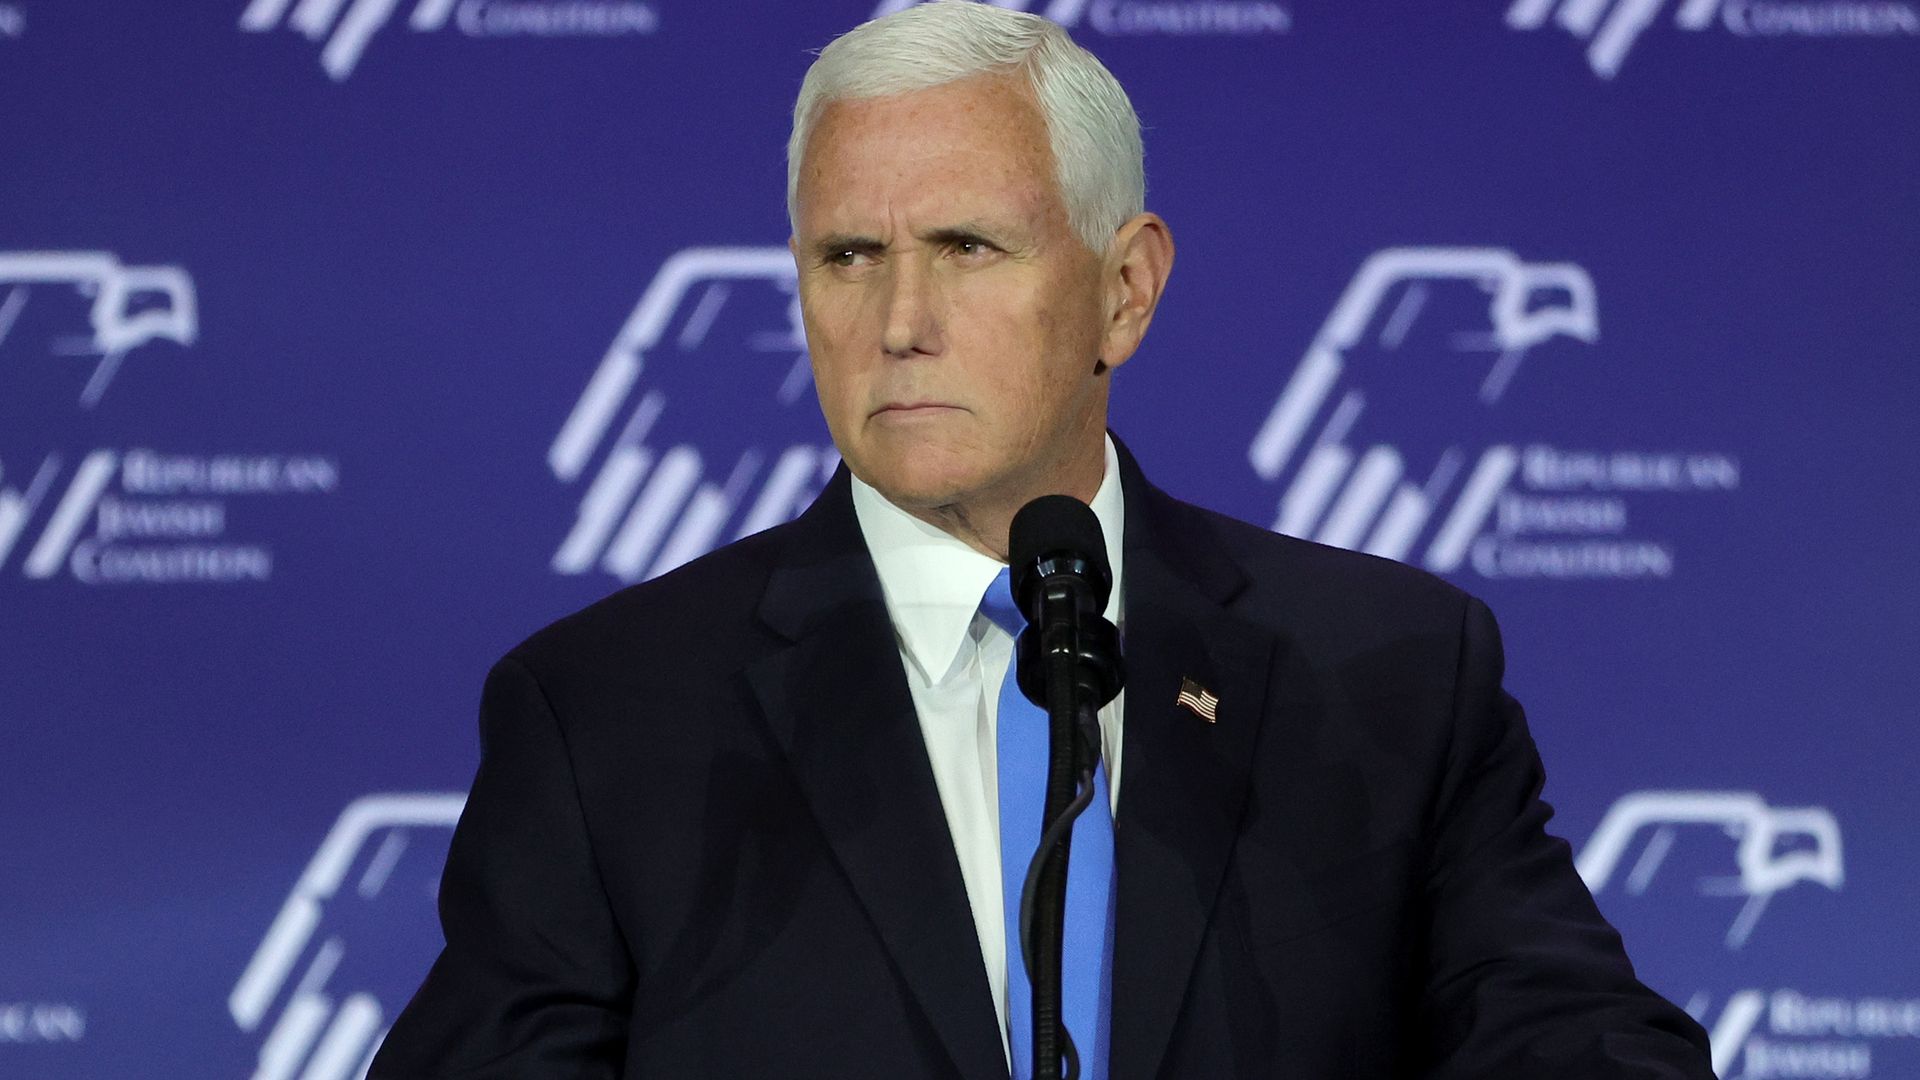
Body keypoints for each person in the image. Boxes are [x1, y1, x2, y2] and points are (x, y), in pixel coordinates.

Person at [371, 3, 1715, 1077]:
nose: (899, 319)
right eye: (846, 256)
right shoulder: (608, 717)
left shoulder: (1389, 676)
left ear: (1122, 292)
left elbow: (1571, 1037)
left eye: (966, 246)